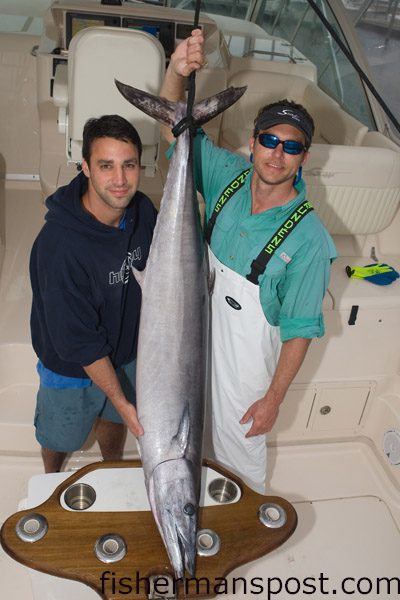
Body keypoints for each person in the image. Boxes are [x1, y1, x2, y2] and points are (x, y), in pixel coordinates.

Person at [160, 30, 336, 493]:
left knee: (241, 454)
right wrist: (177, 74)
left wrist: (273, 399)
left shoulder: (310, 239)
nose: (278, 153)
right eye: (269, 140)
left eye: (291, 146)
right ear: (253, 143)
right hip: (195, 330)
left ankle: (245, 522)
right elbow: (172, 130)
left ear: (304, 158)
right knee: (189, 432)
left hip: (245, 364)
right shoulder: (227, 175)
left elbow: (300, 331)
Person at [30, 114, 156, 473]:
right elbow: (81, 343)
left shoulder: (142, 210)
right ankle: (50, 479)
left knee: (116, 419)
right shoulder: (58, 248)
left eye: (128, 165)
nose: (119, 180)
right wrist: (119, 398)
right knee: (60, 437)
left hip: (126, 350)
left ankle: (111, 467)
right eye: (106, 166)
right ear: (85, 167)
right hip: (70, 366)